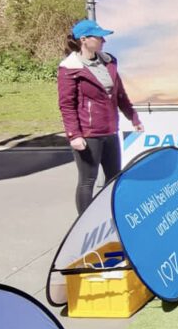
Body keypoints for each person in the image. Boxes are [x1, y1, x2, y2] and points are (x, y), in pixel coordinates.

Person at [57, 18, 143, 213]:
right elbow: (66, 105)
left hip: (110, 130)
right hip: (88, 134)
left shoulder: (109, 62)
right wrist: (74, 135)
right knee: (88, 180)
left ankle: (110, 214)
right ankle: (85, 223)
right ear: (84, 39)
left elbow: (119, 95)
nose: (104, 41)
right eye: (100, 37)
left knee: (114, 176)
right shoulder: (69, 68)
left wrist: (133, 117)